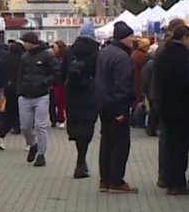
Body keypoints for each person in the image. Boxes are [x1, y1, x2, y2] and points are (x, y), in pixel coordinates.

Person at [153, 25, 189, 195]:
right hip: (182, 108)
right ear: (184, 38)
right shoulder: (181, 57)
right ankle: (178, 183)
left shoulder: (163, 53)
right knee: (180, 147)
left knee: (170, 145)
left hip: (167, 106)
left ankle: (169, 179)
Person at [96, 22, 138, 193]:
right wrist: (122, 109)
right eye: (130, 37)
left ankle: (105, 179)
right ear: (123, 38)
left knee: (106, 142)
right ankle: (116, 180)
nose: (133, 40)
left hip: (104, 104)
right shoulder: (121, 57)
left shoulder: (104, 53)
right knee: (120, 145)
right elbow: (122, 85)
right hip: (116, 105)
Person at [63, 22, 100, 179]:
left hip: (72, 95)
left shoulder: (70, 52)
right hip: (89, 95)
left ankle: (80, 160)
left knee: (76, 127)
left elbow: (63, 73)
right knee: (86, 127)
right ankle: (81, 161)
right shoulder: (97, 53)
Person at [17, 31, 60, 167]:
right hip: (25, 95)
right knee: (25, 126)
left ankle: (41, 154)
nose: (24, 44)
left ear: (31, 42)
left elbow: (56, 73)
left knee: (39, 125)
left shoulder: (47, 56)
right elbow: (20, 74)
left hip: (41, 95)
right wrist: (19, 91)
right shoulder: (24, 57)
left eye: (25, 42)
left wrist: (44, 82)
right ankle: (33, 145)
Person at [0, 39, 24, 150]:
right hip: (22, 89)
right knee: (24, 114)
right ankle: (29, 141)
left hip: (9, 88)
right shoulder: (23, 58)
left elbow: (0, 72)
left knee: (9, 112)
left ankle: (1, 134)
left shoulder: (6, 58)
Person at [131, 38, 150, 127]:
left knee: (136, 101)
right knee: (139, 101)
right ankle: (136, 121)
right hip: (139, 80)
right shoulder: (141, 55)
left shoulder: (135, 53)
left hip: (136, 79)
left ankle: (133, 120)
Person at [50, 39, 68, 128]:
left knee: (62, 102)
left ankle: (62, 118)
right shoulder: (53, 58)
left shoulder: (65, 58)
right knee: (56, 102)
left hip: (63, 82)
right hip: (56, 83)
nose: (53, 49)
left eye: (55, 47)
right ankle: (57, 119)